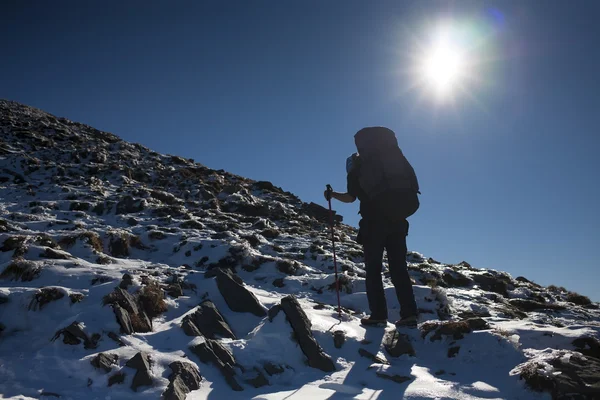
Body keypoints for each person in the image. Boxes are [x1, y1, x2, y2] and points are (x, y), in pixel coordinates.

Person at [325, 127, 419, 328]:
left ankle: (378, 315)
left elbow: (351, 198)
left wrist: (332, 195)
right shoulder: (393, 162)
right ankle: (410, 314)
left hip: (373, 224)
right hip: (398, 221)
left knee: (374, 270)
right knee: (399, 269)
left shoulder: (357, 168)